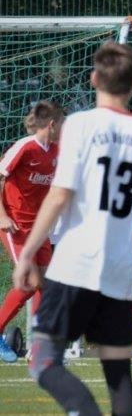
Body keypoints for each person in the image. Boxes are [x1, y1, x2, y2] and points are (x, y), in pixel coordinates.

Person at [12, 40, 132, 416]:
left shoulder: (79, 125)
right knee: (118, 373)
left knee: (43, 362)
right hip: (119, 270)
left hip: (75, 264)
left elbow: (60, 194)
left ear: (94, 78)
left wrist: (28, 251)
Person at [0, 101, 64, 362]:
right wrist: (2, 216)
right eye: (63, 124)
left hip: (39, 228)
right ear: (52, 124)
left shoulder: (57, 151)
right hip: (15, 225)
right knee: (30, 281)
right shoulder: (25, 147)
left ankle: (39, 347)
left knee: (47, 285)